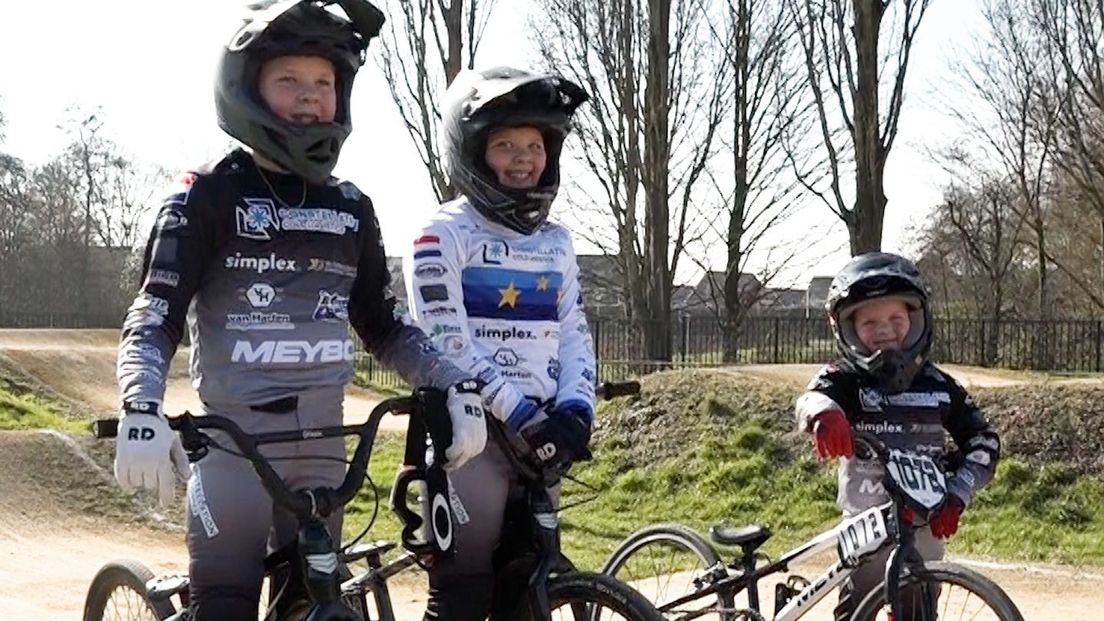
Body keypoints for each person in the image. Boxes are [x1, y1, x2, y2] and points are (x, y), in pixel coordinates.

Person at [112, 2, 487, 618]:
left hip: (323, 446)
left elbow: (387, 327)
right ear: (246, 86)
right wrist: (140, 405)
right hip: (232, 447)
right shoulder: (203, 196)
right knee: (225, 605)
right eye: (289, 79)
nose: (310, 96)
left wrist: (454, 385)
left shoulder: (352, 208)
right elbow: (155, 315)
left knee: (312, 601)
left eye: (324, 82)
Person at [402, 66, 597, 621]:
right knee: (462, 593)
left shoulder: (558, 242)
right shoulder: (441, 234)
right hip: (471, 436)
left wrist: (576, 409)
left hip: (542, 435)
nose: (523, 159)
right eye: (505, 144)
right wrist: (522, 415)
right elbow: (447, 343)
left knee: (530, 586)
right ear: (471, 151)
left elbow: (574, 331)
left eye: (535, 145)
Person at [794, 252, 1002, 620]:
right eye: (869, 321)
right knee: (855, 609)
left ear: (917, 319)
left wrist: (958, 494)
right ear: (846, 328)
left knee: (918, 613)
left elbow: (984, 440)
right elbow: (811, 397)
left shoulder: (940, 386)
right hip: (864, 526)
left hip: (924, 526)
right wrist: (824, 414)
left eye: (896, 319)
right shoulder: (844, 379)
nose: (885, 329)